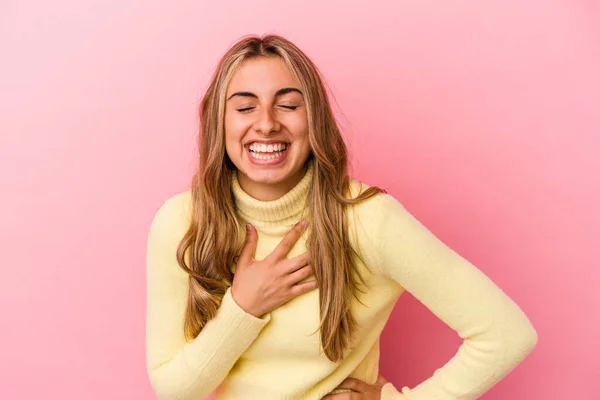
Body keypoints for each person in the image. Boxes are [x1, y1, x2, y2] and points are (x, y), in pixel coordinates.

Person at [145, 34, 538, 400]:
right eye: (245, 107)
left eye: (288, 105)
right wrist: (244, 307)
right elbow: (174, 390)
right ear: (219, 122)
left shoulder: (367, 219)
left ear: (313, 118)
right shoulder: (181, 222)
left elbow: (506, 334)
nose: (266, 123)